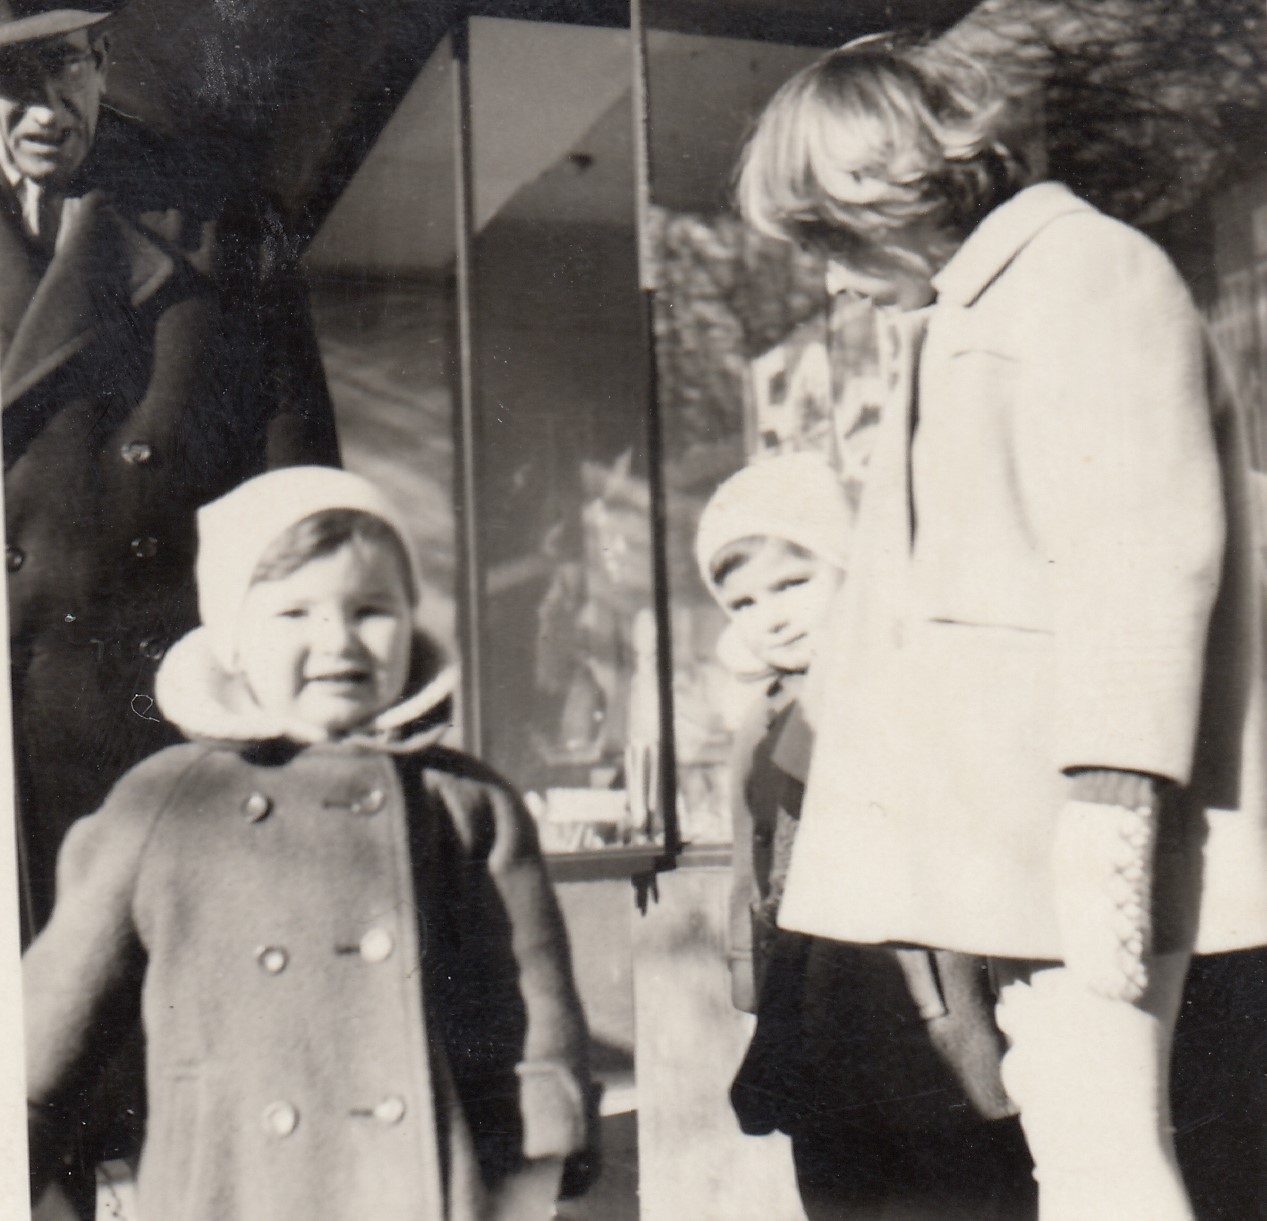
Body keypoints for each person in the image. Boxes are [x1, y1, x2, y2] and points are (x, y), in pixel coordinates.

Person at [735, 37, 1267, 1221]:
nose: (831, 282)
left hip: (1086, 825)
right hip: (1022, 831)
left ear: (890, 191)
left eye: (829, 240)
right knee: (1080, 1147)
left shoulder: (1082, 278)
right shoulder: (980, 308)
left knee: (1101, 1153)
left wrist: (1110, 814)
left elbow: (1141, 555)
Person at [22, 466, 596, 1221]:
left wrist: (530, 1176)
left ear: (412, 623)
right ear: (231, 640)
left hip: (427, 1193)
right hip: (232, 1192)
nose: (337, 640)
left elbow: (527, 1013)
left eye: (372, 609)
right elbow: (45, 1036)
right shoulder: (164, 804)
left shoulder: (465, 802)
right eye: (294, 612)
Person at [0, 0, 340, 945]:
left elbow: (295, 494)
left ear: (104, 59)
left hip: (155, 710)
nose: (44, 108)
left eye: (64, 66)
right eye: (9, 78)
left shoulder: (221, 213)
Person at [697, 452, 1032, 1219]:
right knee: (837, 1184)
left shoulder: (914, 679)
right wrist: (753, 980)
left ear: (858, 570)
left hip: (929, 1007)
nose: (770, 615)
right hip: (814, 1012)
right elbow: (754, 861)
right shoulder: (763, 719)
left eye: (793, 583)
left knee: (955, 1187)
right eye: (742, 601)